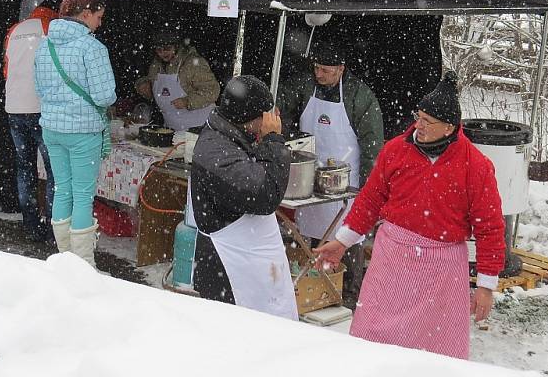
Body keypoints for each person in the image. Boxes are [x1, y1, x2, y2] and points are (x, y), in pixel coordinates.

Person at [314, 70, 505, 359]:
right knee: (372, 341)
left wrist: (486, 285)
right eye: (419, 117)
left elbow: (490, 227)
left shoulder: (476, 166)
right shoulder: (395, 151)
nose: (419, 125)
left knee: (435, 352)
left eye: (428, 121)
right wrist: (342, 241)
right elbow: (370, 200)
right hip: (392, 258)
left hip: (443, 266)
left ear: (450, 128)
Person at [277, 41, 383, 307]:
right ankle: (313, 285)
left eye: (325, 70)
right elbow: (280, 110)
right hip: (310, 174)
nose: (319, 74)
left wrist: (370, 189)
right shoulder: (304, 86)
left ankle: (348, 292)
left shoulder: (360, 96)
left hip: (347, 181)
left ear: (341, 69)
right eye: (316, 68)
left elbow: (373, 146)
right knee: (308, 234)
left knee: (347, 235)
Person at [187, 75, 297, 320]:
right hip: (227, 264)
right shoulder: (218, 152)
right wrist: (273, 141)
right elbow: (266, 196)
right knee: (235, 334)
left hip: (245, 258)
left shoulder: (231, 135)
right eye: (264, 116)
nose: (268, 121)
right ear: (248, 117)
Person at [34, 0, 117, 267]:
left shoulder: (44, 46)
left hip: (52, 129)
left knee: (62, 190)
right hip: (83, 131)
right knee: (83, 195)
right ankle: (82, 265)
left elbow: (39, 89)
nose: (100, 23)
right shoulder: (93, 48)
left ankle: (63, 259)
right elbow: (105, 97)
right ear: (85, 14)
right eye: (99, 17)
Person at [3, 0, 57, 242]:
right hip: (41, 108)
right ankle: (54, 227)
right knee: (54, 169)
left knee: (24, 167)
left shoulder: (15, 30)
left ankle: (31, 224)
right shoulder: (51, 28)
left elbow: (6, 69)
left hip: (14, 107)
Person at [134, 31, 220, 131]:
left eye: (167, 48)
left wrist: (188, 101)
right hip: (172, 128)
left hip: (199, 126)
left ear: (176, 47)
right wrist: (144, 86)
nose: (163, 53)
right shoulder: (155, 65)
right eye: (159, 50)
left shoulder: (193, 63)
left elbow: (212, 91)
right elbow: (158, 92)